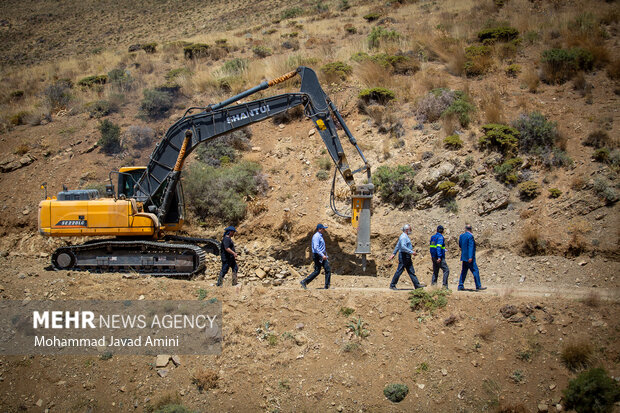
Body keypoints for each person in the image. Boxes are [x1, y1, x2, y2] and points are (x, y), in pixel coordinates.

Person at [388, 224, 424, 290]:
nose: (411, 230)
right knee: (400, 270)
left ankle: (417, 285)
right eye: (410, 229)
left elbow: (397, 246)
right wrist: (411, 252)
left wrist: (394, 253)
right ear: (407, 230)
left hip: (406, 256)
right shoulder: (404, 237)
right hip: (404, 256)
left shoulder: (404, 236)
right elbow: (403, 247)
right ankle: (392, 285)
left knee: (411, 271)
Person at [300, 224, 331, 289]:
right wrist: (322, 255)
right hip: (318, 256)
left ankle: (327, 286)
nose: (324, 230)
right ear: (319, 229)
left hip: (320, 255)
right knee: (318, 271)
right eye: (323, 229)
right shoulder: (316, 236)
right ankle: (304, 281)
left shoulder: (320, 236)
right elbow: (316, 247)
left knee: (326, 269)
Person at [458, 224, 486, 291]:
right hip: (470, 258)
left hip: (464, 257)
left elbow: (460, 245)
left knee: (464, 271)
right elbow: (471, 247)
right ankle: (478, 286)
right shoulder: (470, 236)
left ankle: (460, 285)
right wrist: (470, 257)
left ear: (465, 229)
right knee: (475, 270)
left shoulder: (461, 236)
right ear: (470, 229)